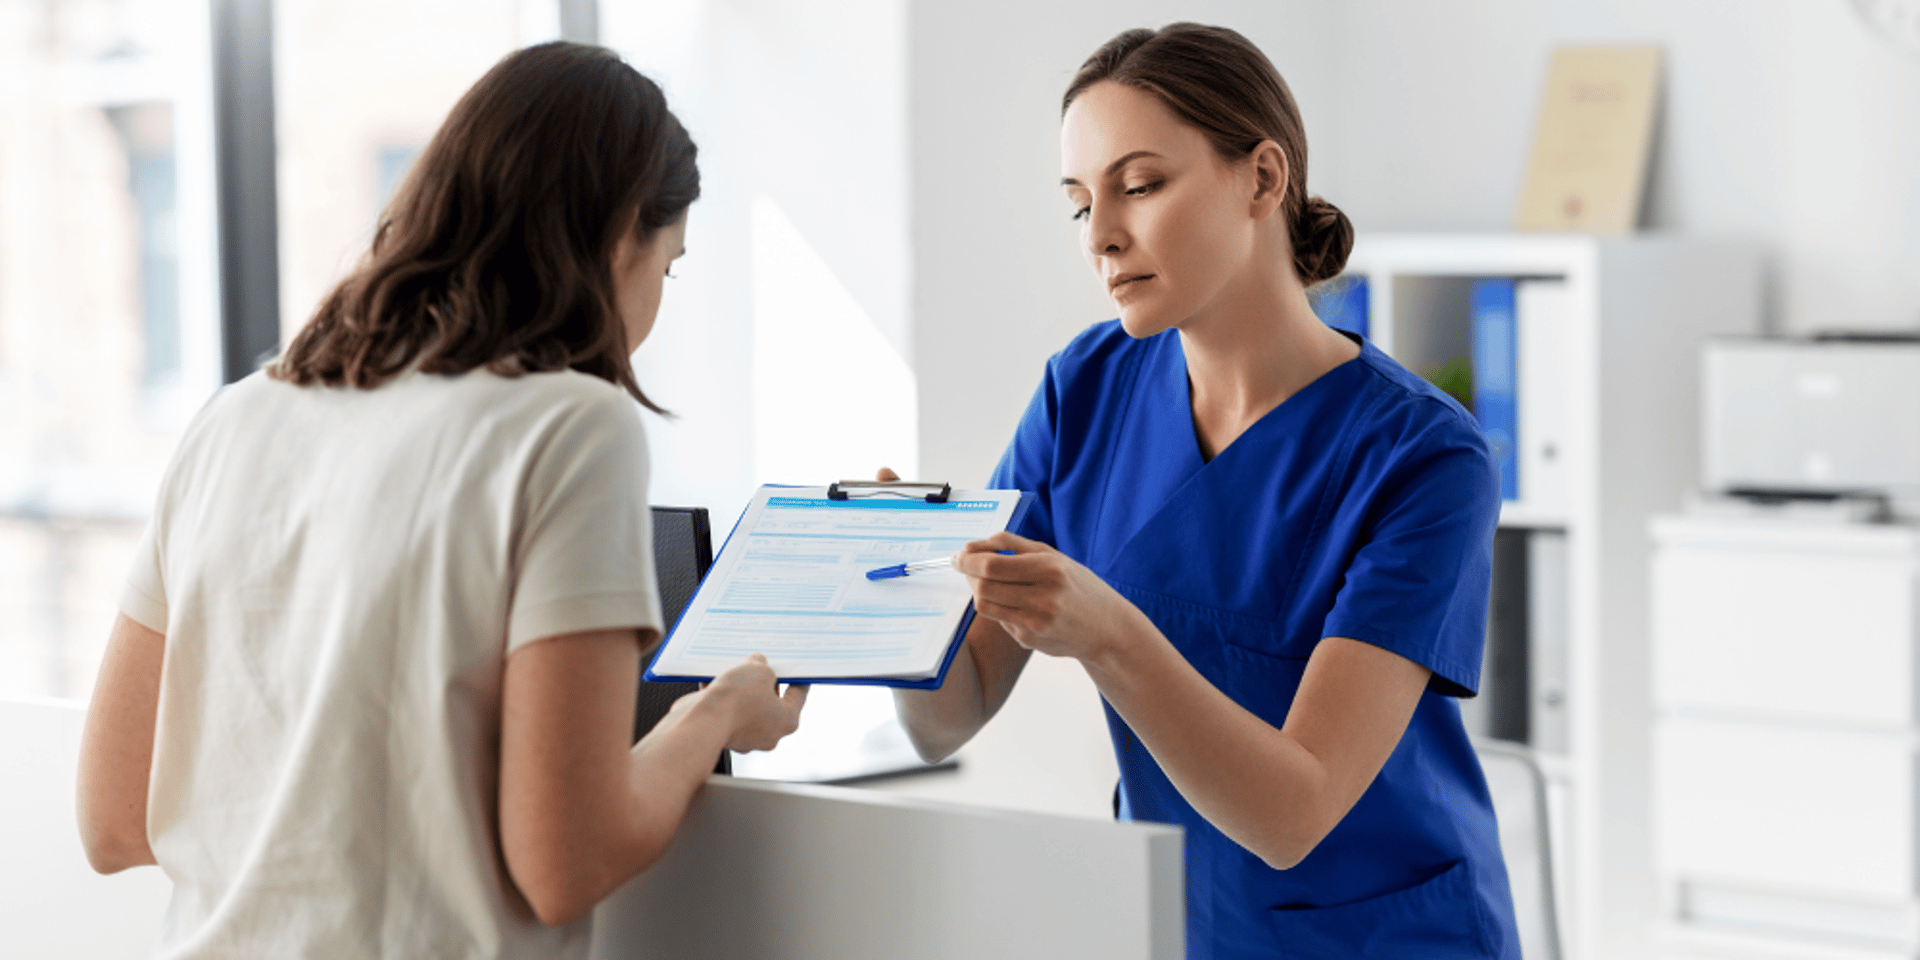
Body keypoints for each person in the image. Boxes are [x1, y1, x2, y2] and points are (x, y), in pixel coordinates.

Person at [75, 42, 806, 959]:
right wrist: (717, 713)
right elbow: (564, 861)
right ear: (625, 232)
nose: (657, 303)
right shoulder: (571, 426)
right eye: (670, 266)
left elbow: (114, 818)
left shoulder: (233, 419)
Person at [892, 23, 1519, 959]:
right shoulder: (1083, 391)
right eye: (1080, 203)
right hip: (1180, 926)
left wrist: (1107, 634)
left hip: (1387, 938)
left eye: (1140, 186)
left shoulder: (1424, 458)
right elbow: (950, 715)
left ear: (1262, 180)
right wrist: (897, 606)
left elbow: (1295, 811)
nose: (1101, 235)